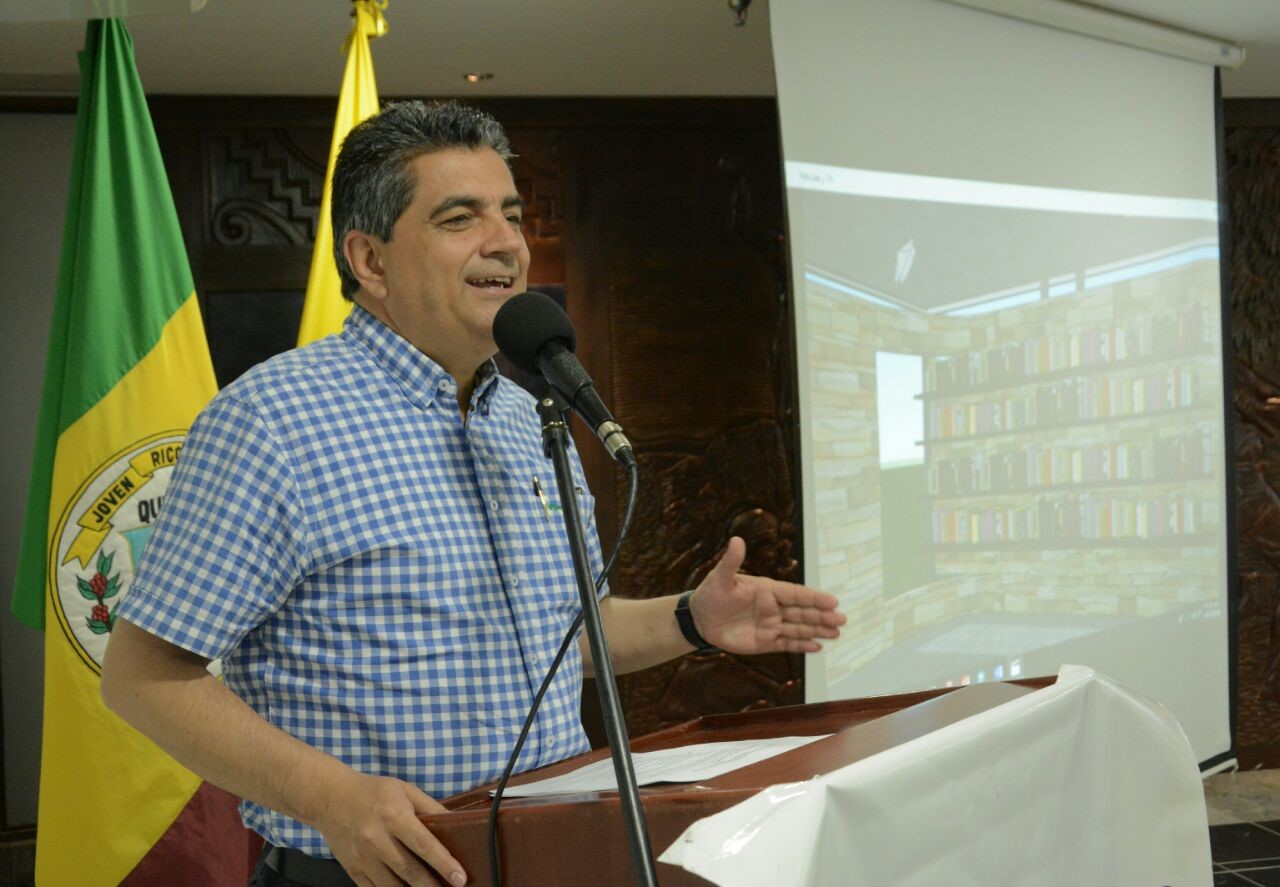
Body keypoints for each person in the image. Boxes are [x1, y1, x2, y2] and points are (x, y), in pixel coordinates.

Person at [100, 100, 846, 887]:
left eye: (512, 215)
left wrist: (693, 617)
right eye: (461, 218)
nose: (506, 244)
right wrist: (332, 798)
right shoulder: (271, 421)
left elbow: (569, 636)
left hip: (552, 861)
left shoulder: (530, 417)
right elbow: (144, 677)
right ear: (370, 260)